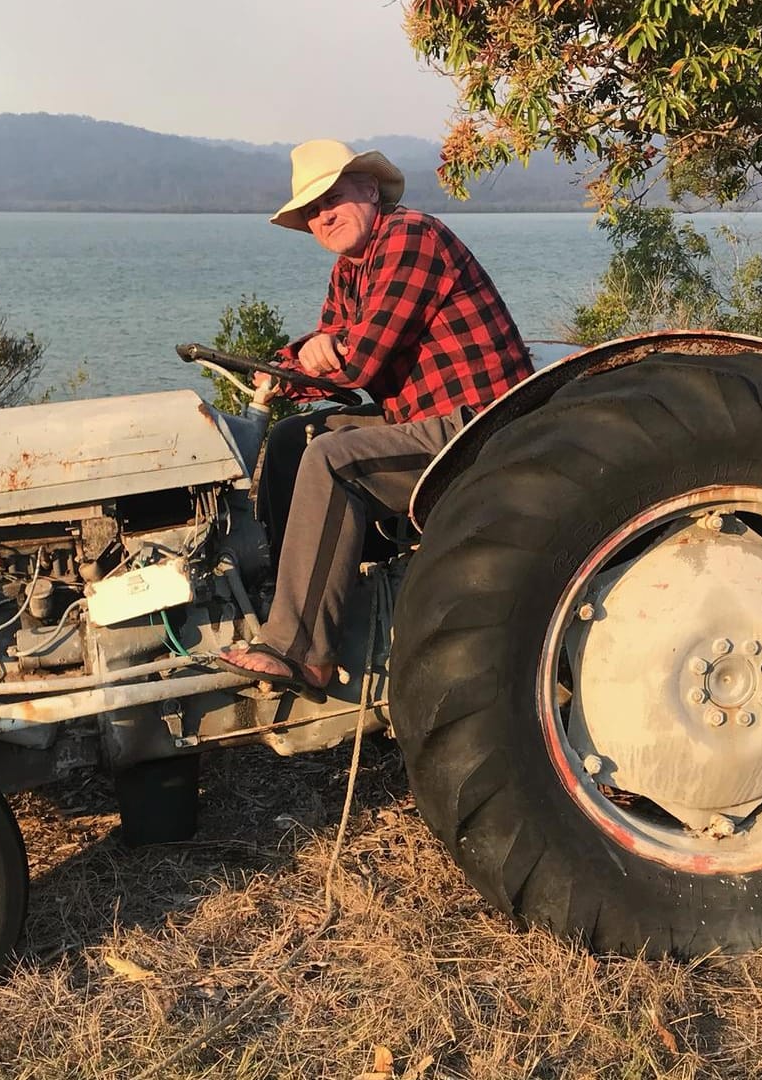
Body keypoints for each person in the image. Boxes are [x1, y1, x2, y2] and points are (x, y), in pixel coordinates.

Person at [213, 139, 534, 699]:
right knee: (296, 436)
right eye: (312, 211)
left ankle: (301, 652)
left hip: (482, 427)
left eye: (332, 199)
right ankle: (283, 591)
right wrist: (273, 372)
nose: (324, 216)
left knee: (334, 460)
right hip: (423, 420)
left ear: (369, 189)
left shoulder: (413, 237)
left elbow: (358, 360)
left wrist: (313, 354)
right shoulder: (349, 270)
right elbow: (322, 356)